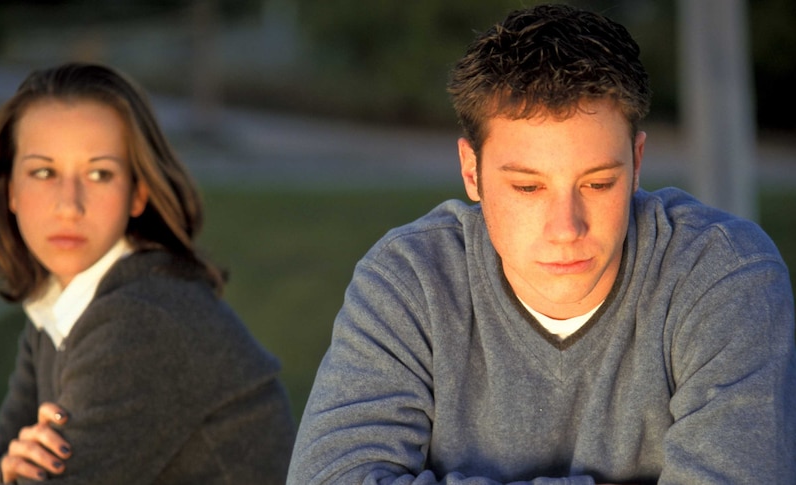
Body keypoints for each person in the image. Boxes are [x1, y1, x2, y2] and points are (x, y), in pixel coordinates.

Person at [287, 4, 796, 484]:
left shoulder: (724, 275)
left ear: (637, 163)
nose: (566, 227)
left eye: (597, 184)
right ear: (472, 172)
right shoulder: (411, 281)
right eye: (528, 188)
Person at [0, 62, 295, 484]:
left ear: (138, 194)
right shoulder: (54, 309)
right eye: (44, 172)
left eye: (99, 173)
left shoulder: (140, 322)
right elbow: (1, 453)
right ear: (10, 189)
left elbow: (1, 472)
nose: (69, 205)